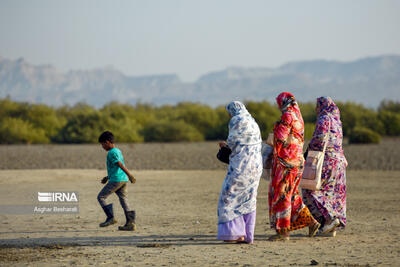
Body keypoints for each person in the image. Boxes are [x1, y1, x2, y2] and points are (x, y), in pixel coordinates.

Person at [268, 92, 320, 241]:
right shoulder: (298, 116)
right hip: (297, 162)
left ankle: (283, 232)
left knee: (282, 195)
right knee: (291, 195)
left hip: (286, 163)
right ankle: (311, 222)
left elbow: (281, 137)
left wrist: (276, 126)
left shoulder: (287, 116)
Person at [217, 101, 263, 244]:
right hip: (255, 167)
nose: (229, 115)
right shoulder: (253, 122)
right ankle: (247, 235)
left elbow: (233, 144)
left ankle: (234, 234)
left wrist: (224, 146)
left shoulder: (236, 120)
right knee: (248, 199)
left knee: (228, 198)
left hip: (240, 167)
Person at [302, 96, 347, 236]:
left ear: (321, 106)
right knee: (331, 193)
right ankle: (329, 227)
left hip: (326, 161)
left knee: (309, 190)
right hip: (339, 162)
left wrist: (307, 152)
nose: (316, 109)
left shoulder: (324, 119)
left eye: (317, 106)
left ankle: (331, 218)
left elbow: (319, 139)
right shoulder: (337, 121)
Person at [97, 131, 137, 231]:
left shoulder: (111, 153)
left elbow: (119, 164)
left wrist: (130, 174)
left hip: (117, 180)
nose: (102, 147)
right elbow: (116, 167)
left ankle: (111, 218)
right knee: (123, 200)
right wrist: (107, 177)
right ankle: (130, 223)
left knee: (101, 197)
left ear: (107, 142)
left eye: (102, 144)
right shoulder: (118, 151)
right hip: (122, 179)